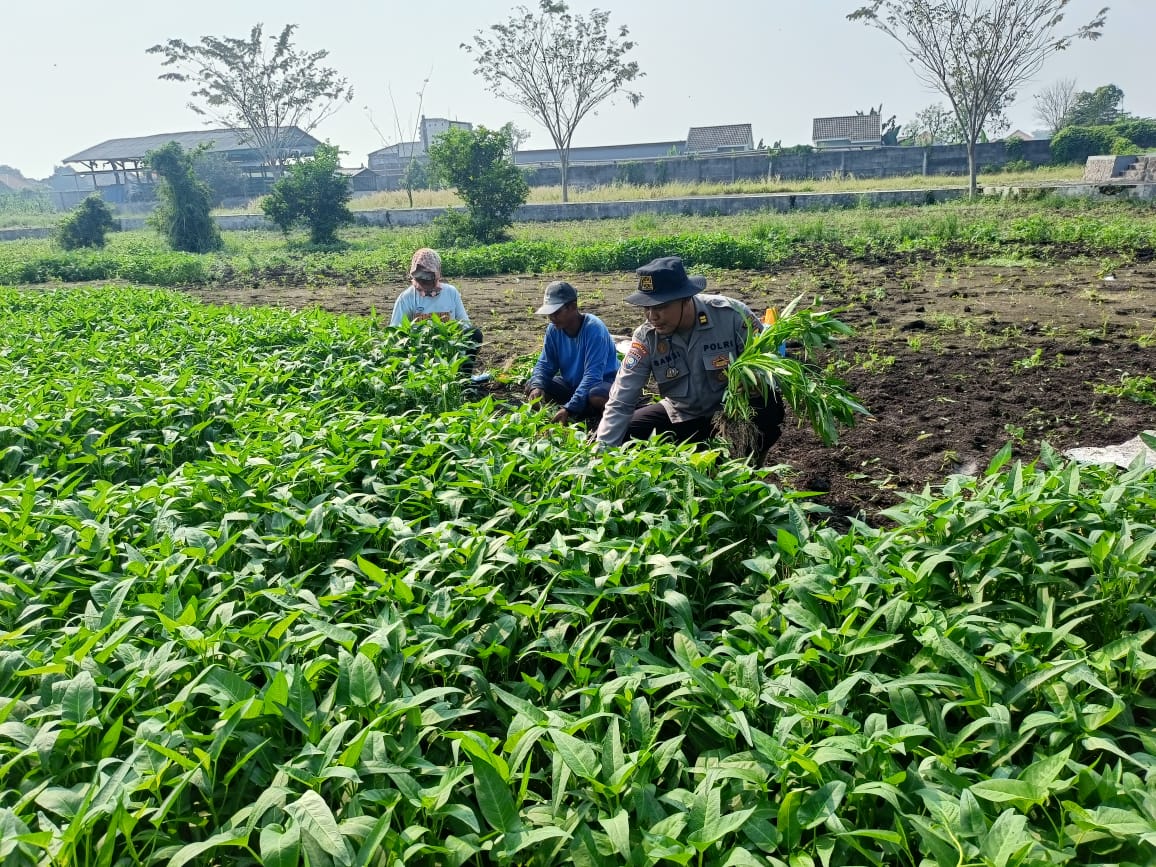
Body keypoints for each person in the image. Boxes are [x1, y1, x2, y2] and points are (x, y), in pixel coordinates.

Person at [595, 255, 784, 463]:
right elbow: (621, 400)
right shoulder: (646, 337)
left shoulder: (732, 315)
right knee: (625, 431)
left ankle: (749, 461)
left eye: (659, 307)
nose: (652, 316)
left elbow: (772, 365)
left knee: (769, 405)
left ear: (685, 299)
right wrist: (601, 457)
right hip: (682, 414)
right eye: (646, 308)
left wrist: (758, 382)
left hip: (729, 415)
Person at [526, 280, 620, 425]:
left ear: (573, 307)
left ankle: (602, 420)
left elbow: (593, 376)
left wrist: (569, 408)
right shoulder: (554, 329)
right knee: (534, 384)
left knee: (596, 396)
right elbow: (545, 364)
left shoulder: (593, 328)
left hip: (604, 384)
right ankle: (582, 408)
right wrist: (537, 386)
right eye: (549, 313)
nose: (552, 318)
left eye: (556, 312)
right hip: (574, 385)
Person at [390, 248, 483, 373]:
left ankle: (463, 377)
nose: (425, 281)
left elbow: (464, 323)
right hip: (420, 356)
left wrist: (453, 341)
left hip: (449, 350)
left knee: (474, 334)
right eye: (420, 277)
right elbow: (396, 334)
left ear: (437, 273)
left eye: (428, 277)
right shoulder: (406, 298)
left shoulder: (450, 292)